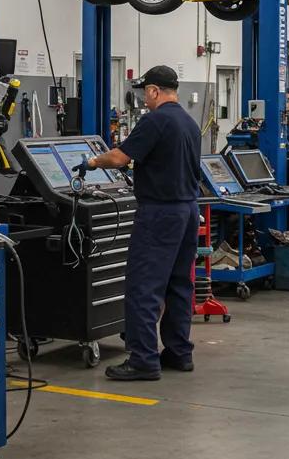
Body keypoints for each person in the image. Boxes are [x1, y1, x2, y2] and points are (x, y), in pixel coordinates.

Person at [78, 65, 201, 380]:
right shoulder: (188, 121)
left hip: (160, 213)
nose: (145, 99)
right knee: (179, 284)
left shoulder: (156, 120)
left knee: (143, 286)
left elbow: (119, 159)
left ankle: (143, 359)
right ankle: (178, 352)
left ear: (154, 91)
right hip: (187, 210)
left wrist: (92, 161)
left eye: (145, 92)